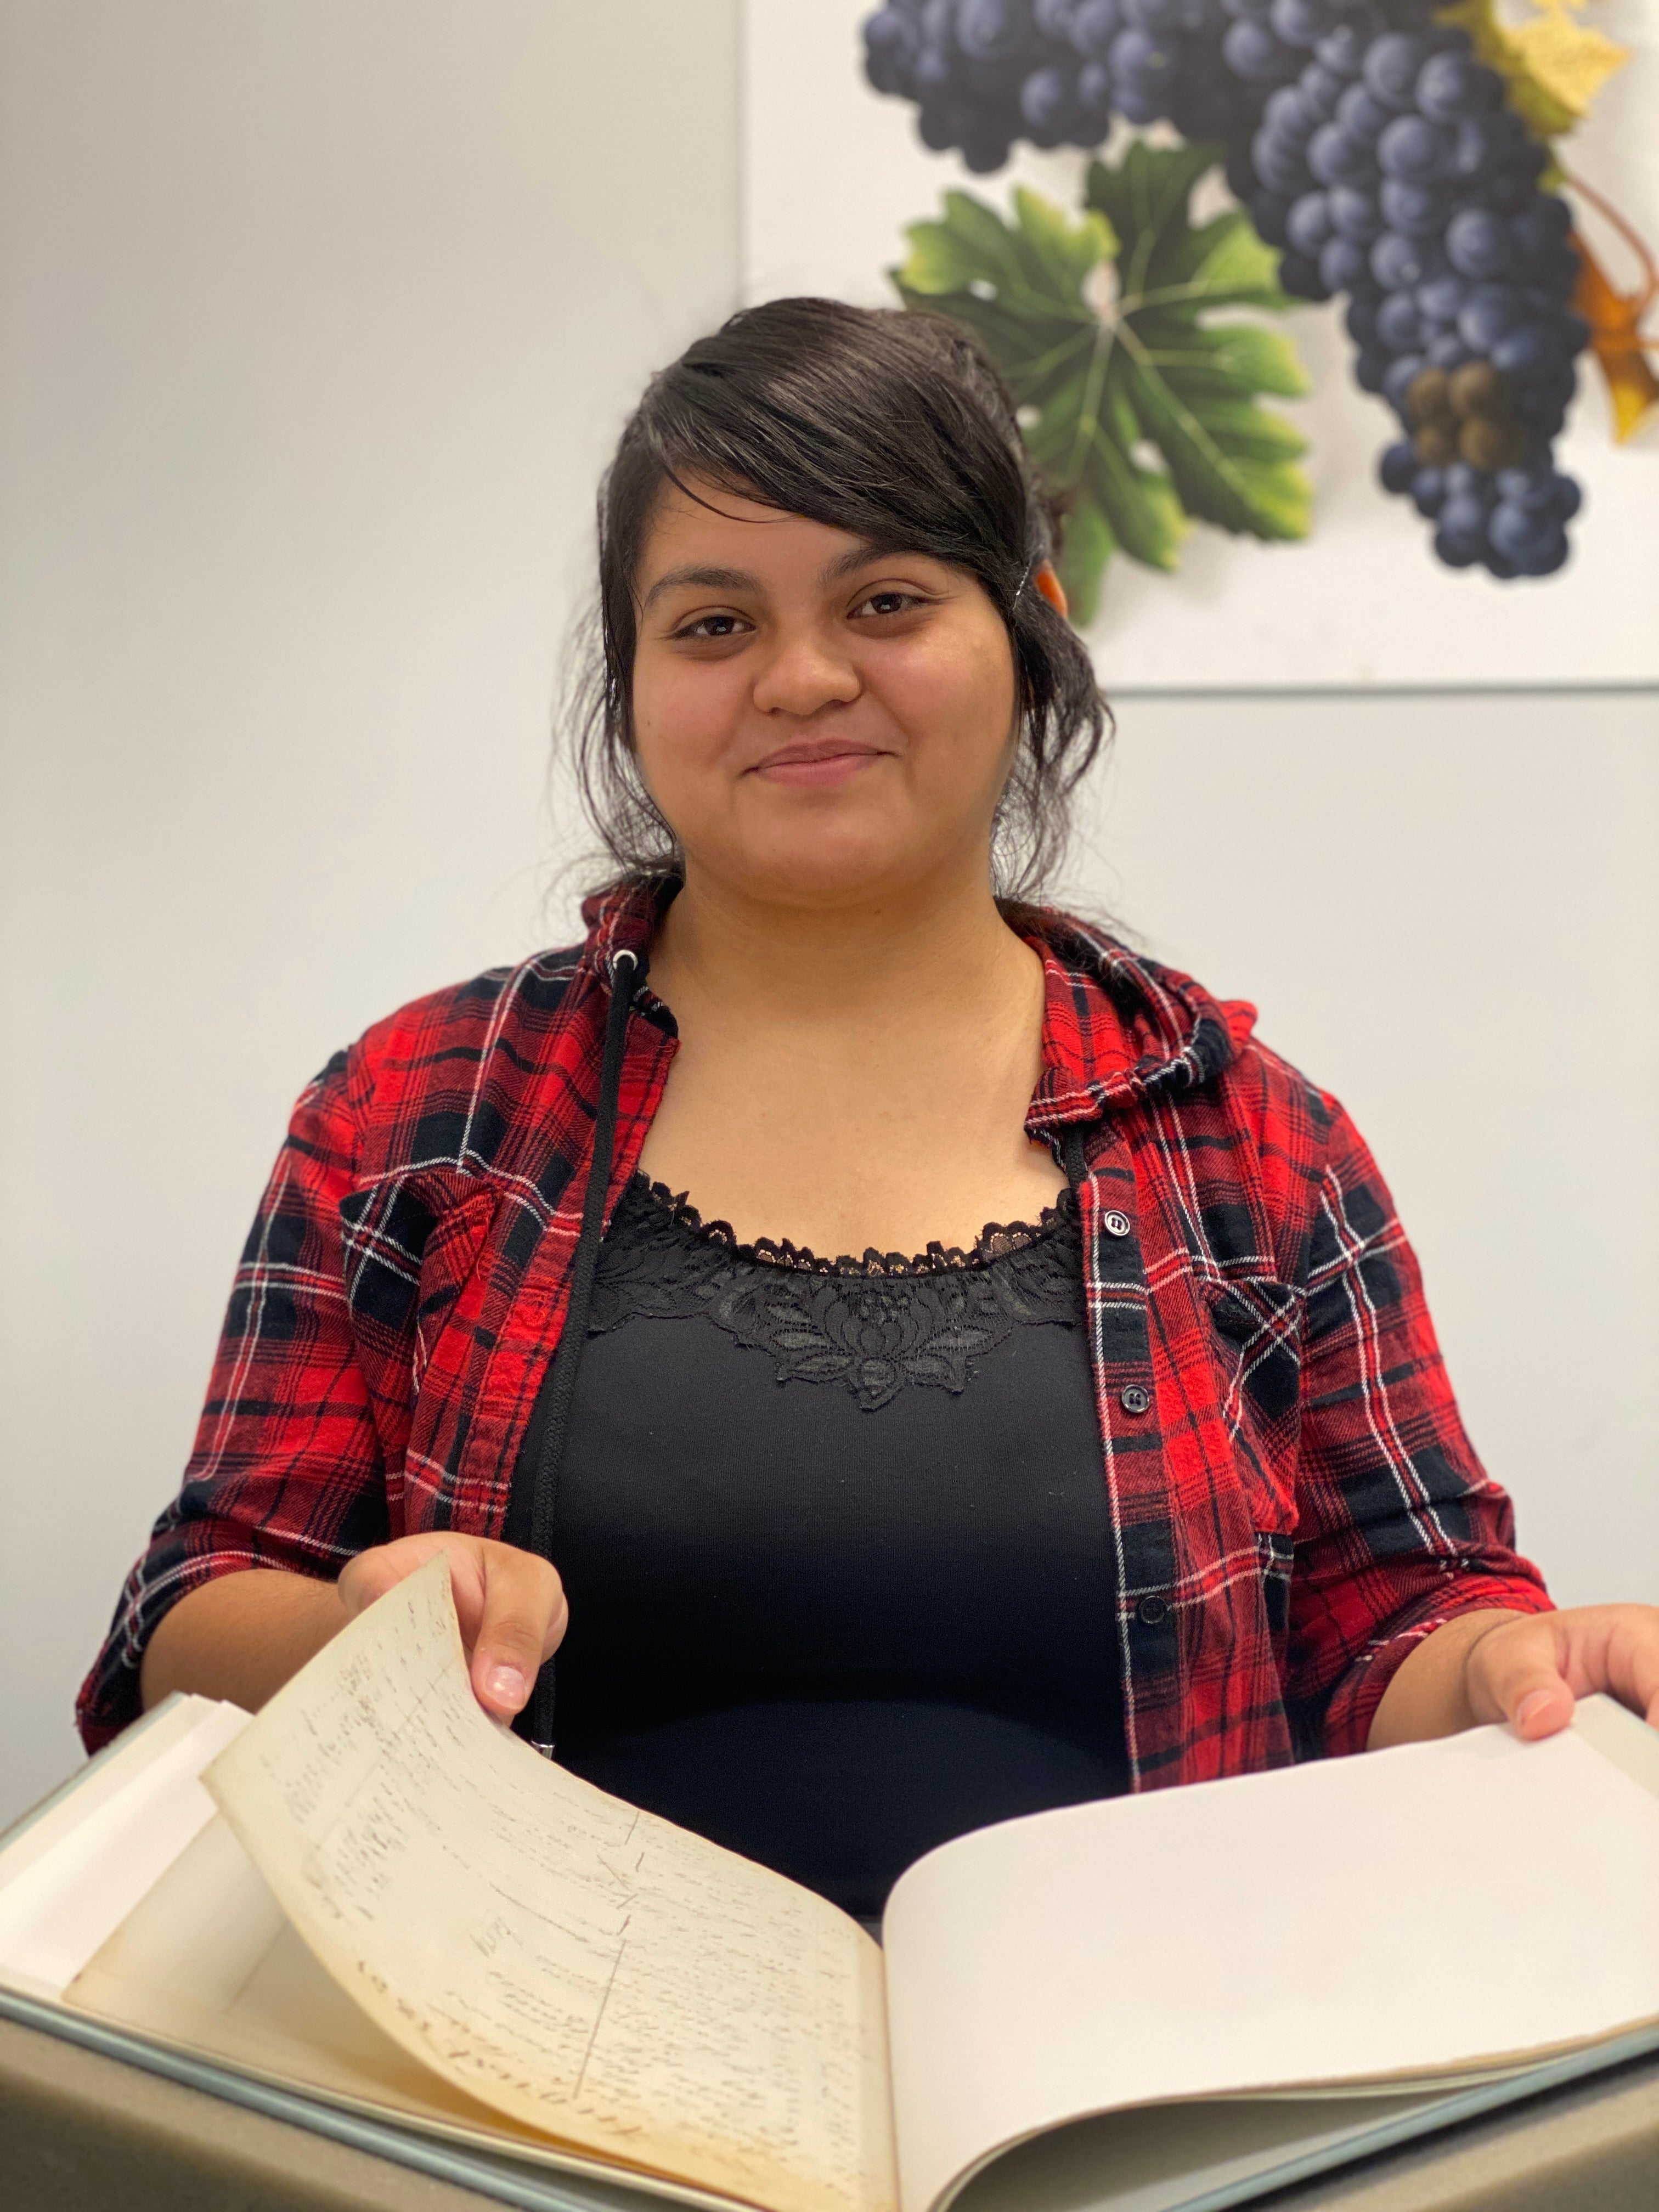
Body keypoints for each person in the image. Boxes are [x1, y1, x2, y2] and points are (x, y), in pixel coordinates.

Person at [81, 299, 1658, 1921]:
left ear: (1029, 627)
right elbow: (190, 1617)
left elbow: (1396, 1622)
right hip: (521, 2112)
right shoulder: (417, 1110)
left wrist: (1510, 1676)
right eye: (712, 626)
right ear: (630, 680)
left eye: (887, 599)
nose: (804, 678)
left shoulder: (1254, 1139)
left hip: (1127, 2094)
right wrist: (360, 1636)